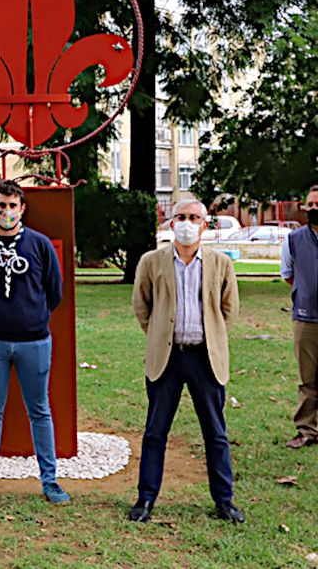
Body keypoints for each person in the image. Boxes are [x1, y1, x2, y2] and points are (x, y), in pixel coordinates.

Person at [129, 199, 244, 523]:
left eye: (194, 217)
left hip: (205, 357)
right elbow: (142, 305)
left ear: (205, 224)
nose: (187, 222)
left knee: (215, 432)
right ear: (170, 221)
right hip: (167, 358)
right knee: (155, 431)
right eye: (181, 216)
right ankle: (146, 499)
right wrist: (157, 335)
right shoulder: (152, 261)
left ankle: (224, 501)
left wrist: (214, 337)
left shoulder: (221, 263)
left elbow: (228, 309)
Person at [0, 180, 70, 505]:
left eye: (12, 206)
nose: (6, 212)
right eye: (1, 205)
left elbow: (54, 291)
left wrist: (30, 317)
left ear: (22, 209)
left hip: (33, 343)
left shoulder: (39, 246)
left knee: (40, 410)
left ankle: (50, 482)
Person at [281, 185, 318, 449]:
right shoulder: (293, 239)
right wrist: (305, 292)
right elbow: (288, 275)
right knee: (308, 379)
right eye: (310, 204)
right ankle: (307, 430)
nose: (313, 209)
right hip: (306, 319)